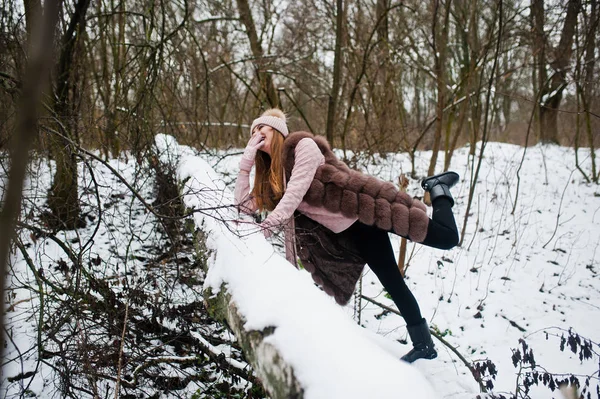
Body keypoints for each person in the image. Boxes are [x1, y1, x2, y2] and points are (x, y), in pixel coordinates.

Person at [234, 108, 460, 363]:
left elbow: (294, 195)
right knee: (392, 282)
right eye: (252, 132)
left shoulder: (303, 147)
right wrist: (246, 165)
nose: (256, 135)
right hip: (352, 234)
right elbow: (243, 207)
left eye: (260, 128)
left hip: (368, 208)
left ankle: (439, 188)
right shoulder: (272, 177)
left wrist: (264, 229)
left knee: (447, 238)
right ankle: (424, 345)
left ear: (275, 129)